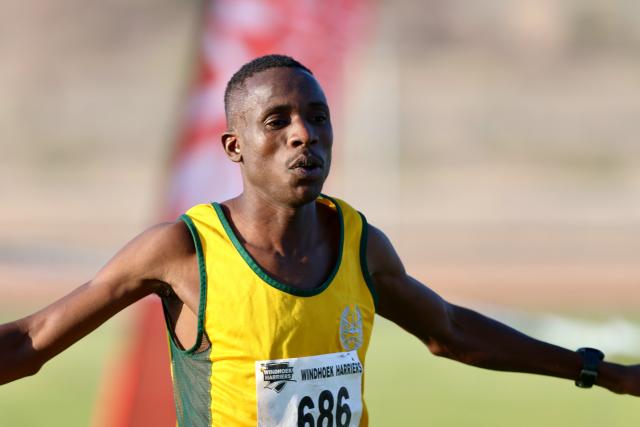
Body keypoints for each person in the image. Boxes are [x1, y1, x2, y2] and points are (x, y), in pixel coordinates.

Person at [0, 54, 638, 426]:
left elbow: (450, 330)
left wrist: (598, 372)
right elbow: (29, 343)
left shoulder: (360, 243)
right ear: (234, 146)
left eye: (317, 117)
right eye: (276, 122)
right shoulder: (183, 250)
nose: (303, 135)